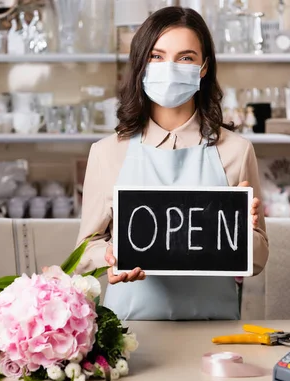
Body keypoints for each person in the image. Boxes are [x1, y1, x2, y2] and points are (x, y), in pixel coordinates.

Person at [76, 6, 268, 321]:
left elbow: (259, 261)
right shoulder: (107, 152)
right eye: (156, 56)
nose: (170, 67)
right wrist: (109, 258)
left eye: (186, 57)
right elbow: (85, 250)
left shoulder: (237, 150)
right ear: (141, 64)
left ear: (204, 67)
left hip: (213, 331)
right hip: (129, 333)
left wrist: (244, 234)